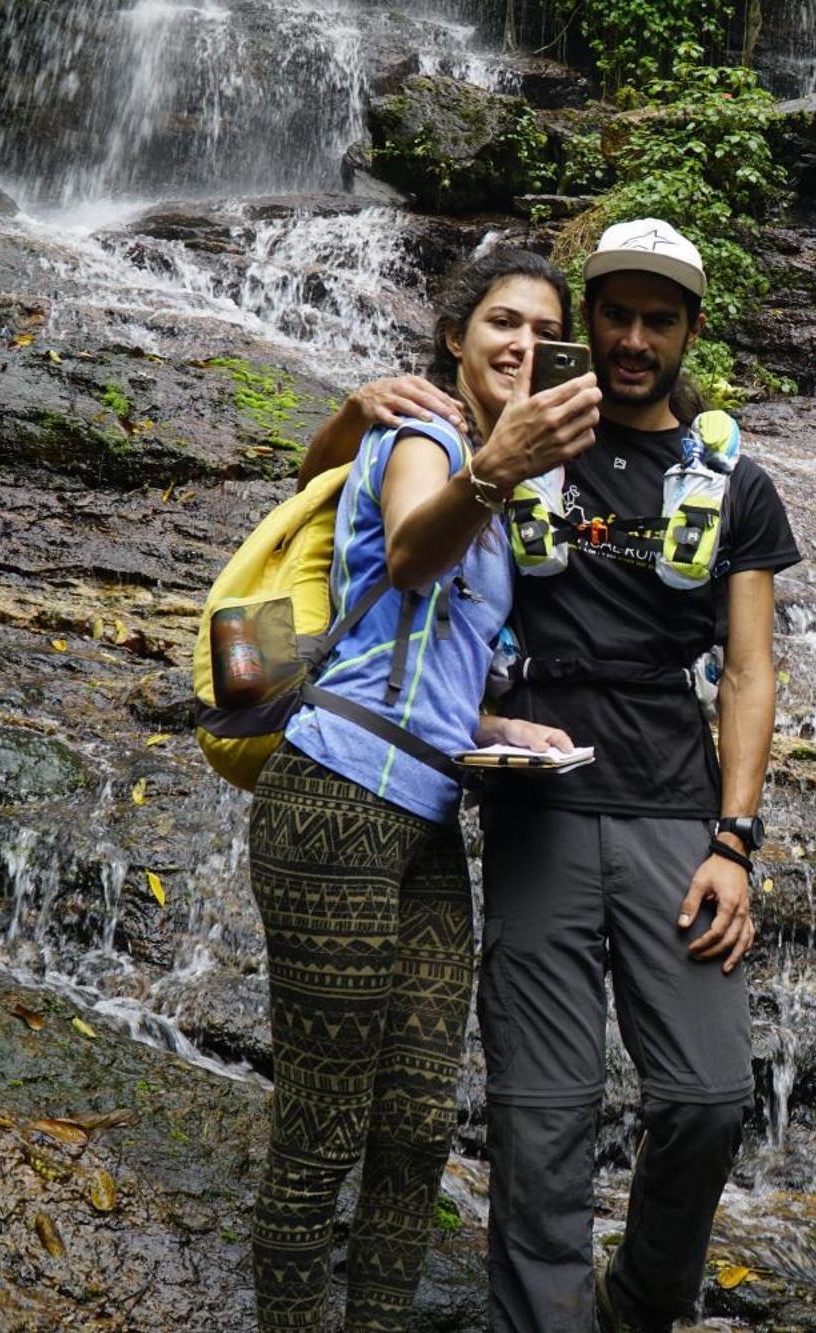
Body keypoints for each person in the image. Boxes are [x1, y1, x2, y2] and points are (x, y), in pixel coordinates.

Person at [251, 246, 600, 1332]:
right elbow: (407, 556)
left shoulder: (504, 495)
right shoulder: (427, 442)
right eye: (503, 321)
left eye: (546, 333)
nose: (523, 346)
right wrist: (493, 463)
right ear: (455, 335)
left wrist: (500, 726)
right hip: (336, 797)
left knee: (412, 1122)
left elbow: (430, 652)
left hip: (427, 816)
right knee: (325, 1115)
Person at [483, 218, 798, 1331]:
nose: (629, 337)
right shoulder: (517, 438)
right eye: (612, 313)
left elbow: (749, 673)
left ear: (687, 331)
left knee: (710, 1097)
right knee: (539, 1114)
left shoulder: (735, 483)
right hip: (539, 801)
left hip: (674, 805)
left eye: (655, 319)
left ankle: (638, 1307)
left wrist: (735, 840)